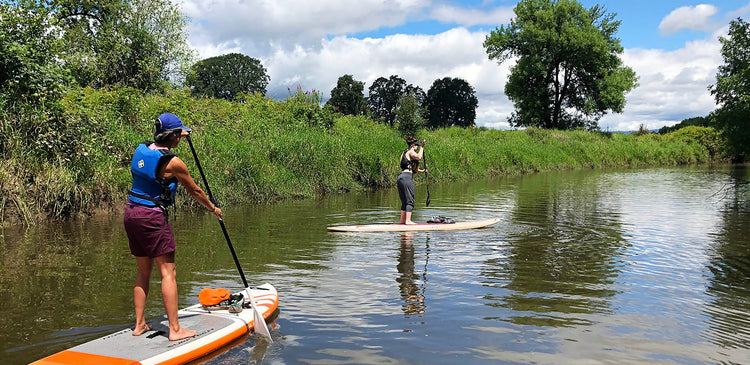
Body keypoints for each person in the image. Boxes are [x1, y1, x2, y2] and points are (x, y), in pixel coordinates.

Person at [123, 113, 223, 341]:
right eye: (179, 134)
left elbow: (160, 146)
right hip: (152, 217)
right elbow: (195, 191)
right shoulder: (173, 163)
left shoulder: (142, 150)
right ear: (174, 137)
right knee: (168, 272)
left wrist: (178, 132)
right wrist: (213, 208)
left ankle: (139, 325)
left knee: (143, 271)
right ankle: (175, 331)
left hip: (131, 213)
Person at [398, 136, 427, 224]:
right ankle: (408, 221)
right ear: (413, 145)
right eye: (417, 146)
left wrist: (423, 171)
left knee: (404, 201)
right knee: (410, 200)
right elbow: (419, 157)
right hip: (407, 178)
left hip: (401, 177)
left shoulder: (404, 153)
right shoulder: (411, 152)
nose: (417, 147)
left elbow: (413, 169)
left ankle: (402, 221)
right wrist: (422, 147)